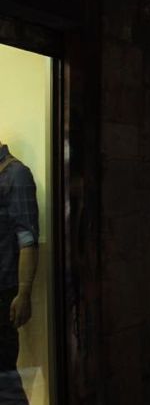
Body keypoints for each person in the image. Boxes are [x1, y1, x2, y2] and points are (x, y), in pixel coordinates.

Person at [0, 140, 38, 404]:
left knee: (4, 378)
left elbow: (27, 238)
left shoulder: (16, 174)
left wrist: (24, 292)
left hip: (3, 292)